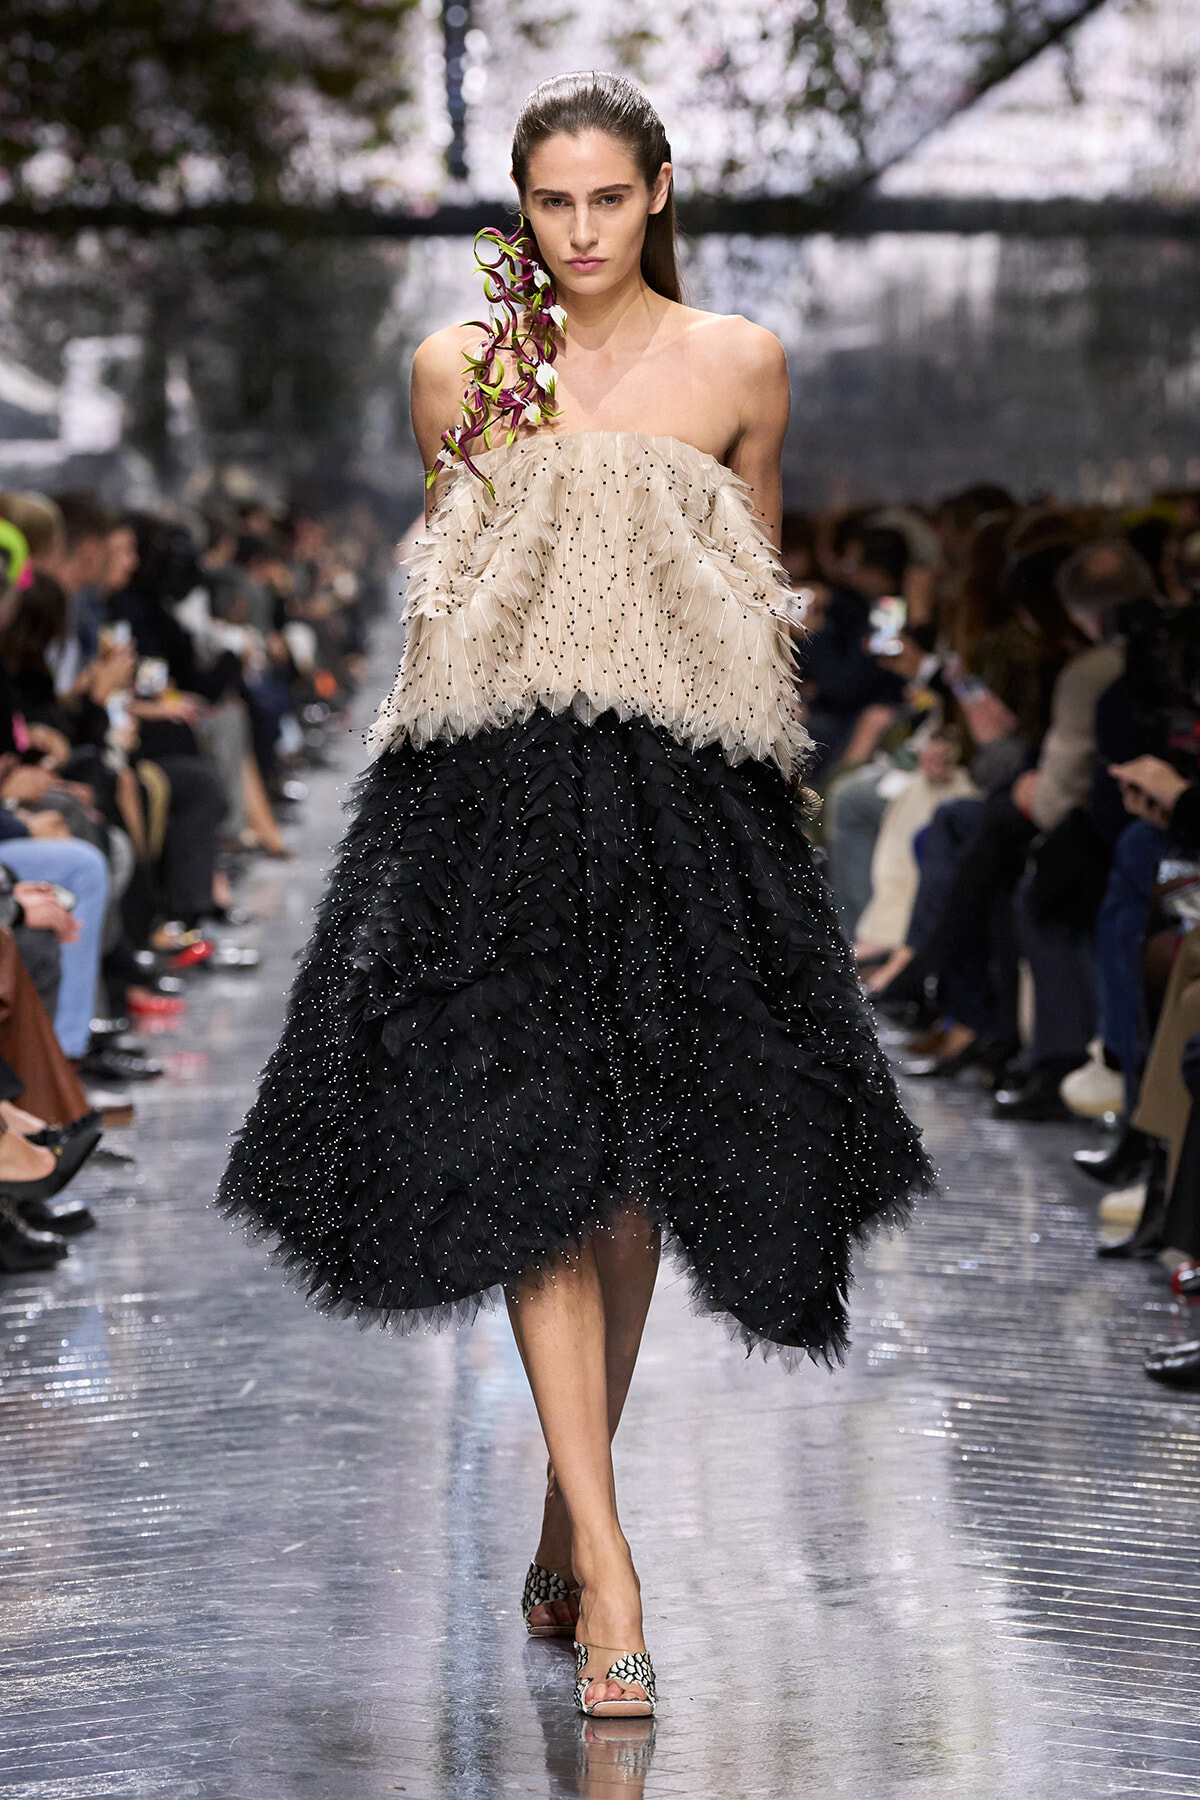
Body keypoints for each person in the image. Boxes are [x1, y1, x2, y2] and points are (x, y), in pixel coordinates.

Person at [219, 71, 931, 1719]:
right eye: (553, 203)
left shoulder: (740, 361)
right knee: (541, 1160)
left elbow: (754, 605)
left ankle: (561, 1498)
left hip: (688, 802)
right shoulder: (457, 369)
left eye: (611, 198)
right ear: (519, 210)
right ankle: (610, 1565)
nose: (584, 230)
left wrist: (777, 822)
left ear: (658, 191)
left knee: (633, 1182)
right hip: (494, 802)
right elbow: (459, 591)